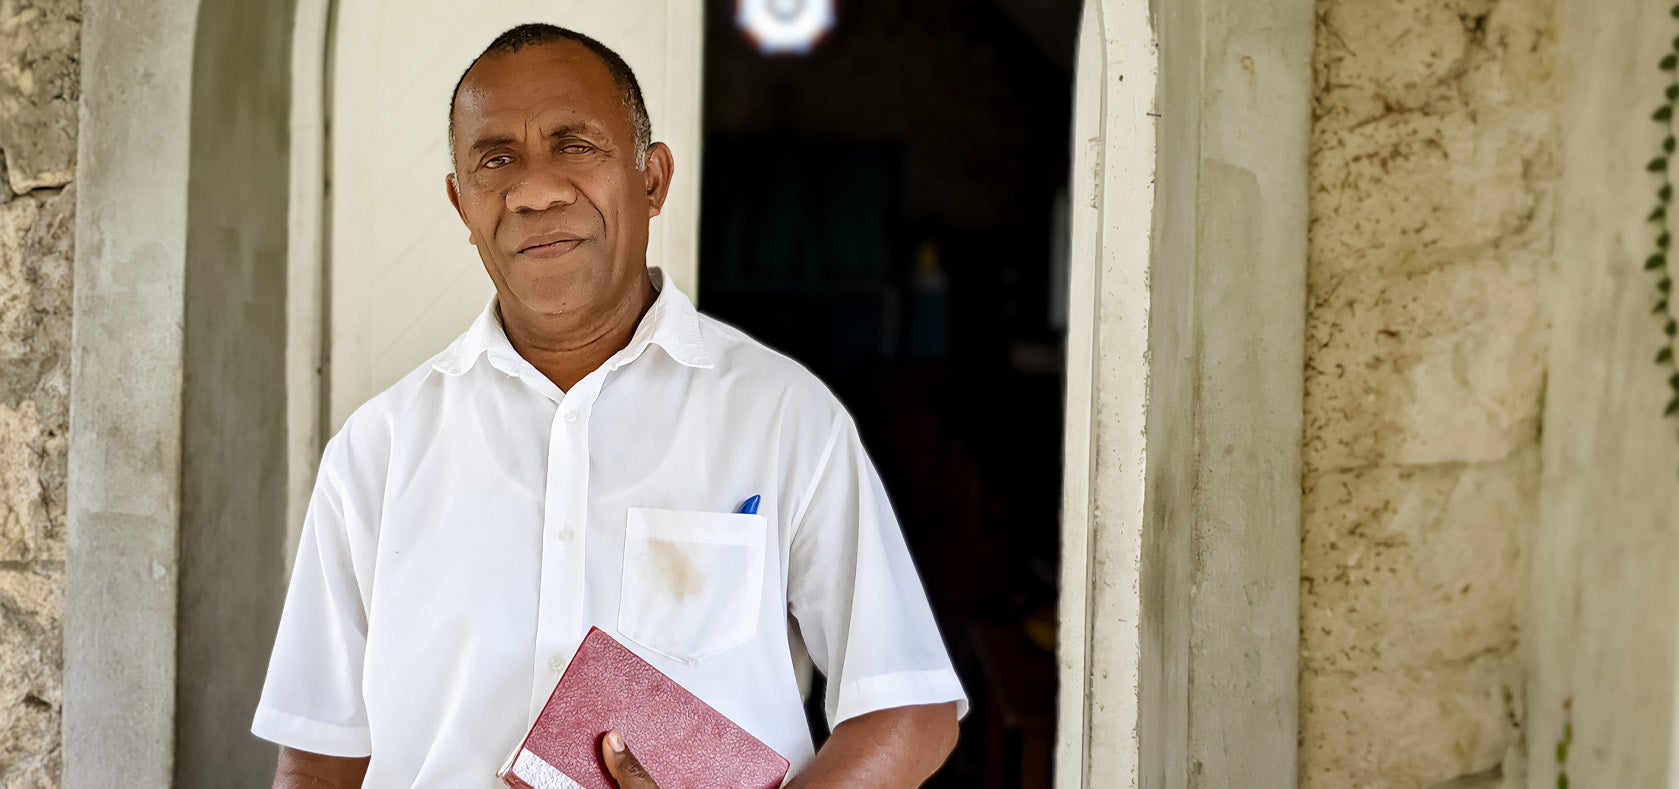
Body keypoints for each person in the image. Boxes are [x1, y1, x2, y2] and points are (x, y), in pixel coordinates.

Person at [252, 23, 966, 788]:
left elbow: (907, 708)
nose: (534, 189)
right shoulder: (378, 448)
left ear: (652, 180)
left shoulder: (781, 415)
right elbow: (320, 757)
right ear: (462, 204)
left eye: (574, 145)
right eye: (496, 159)